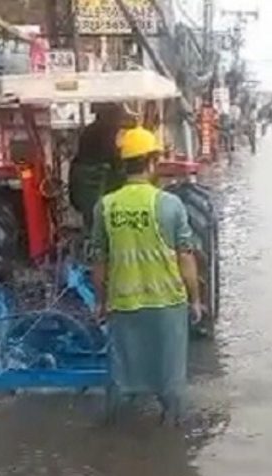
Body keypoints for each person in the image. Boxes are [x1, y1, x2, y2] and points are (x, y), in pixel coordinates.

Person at [91, 127, 204, 424]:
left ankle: (117, 445)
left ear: (124, 164)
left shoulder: (105, 206)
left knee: (122, 379)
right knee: (170, 384)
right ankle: (171, 448)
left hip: (124, 305)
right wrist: (195, 300)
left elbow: (99, 262)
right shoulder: (170, 205)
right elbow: (186, 257)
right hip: (166, 305)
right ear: (152, 162)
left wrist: (101, 303)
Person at [70, 103, 128, 231]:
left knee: (91, 222)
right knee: (99, 223)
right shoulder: (106, 131)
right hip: (96, 183)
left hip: (87, 186)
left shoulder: (91, 130)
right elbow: (113, 158)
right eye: (118, 117)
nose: (120, 121)